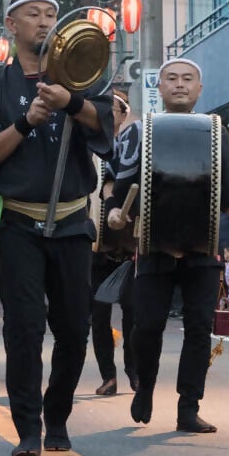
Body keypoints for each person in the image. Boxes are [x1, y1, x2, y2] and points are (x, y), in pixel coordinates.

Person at [0, 0, 113, 456]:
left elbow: (106, 128)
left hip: (70, 222)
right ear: (10, 25)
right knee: (23, 327)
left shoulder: (81, 75)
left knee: (73, 327)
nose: (43, 22)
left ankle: (57, 414)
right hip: (17, 223)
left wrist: (70, 102)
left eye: (50, 15)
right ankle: (27, 427)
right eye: (33, 15)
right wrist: (26, 122)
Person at [105, 58, 229, 432]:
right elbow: (117, 182)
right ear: (158, 88)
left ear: (199, 89)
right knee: (146, 327)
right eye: (172, 79)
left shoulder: (214, 131)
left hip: (201, 245)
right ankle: (144, 386)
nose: (180, 84)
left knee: (198, 330)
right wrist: (114, 212)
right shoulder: (139, 131)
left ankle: (188, 407)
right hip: (154, 244)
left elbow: (228, 194)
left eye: (187, 79)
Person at [90, 89, 135, 396]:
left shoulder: (135, 149)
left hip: (130, 248)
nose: (108, 112)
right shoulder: (86, 148)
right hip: (95, 249)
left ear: (123, 114)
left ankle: (134, 371)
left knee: (134, 317)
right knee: (98, 316)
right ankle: (108, 375)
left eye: (114, 107)